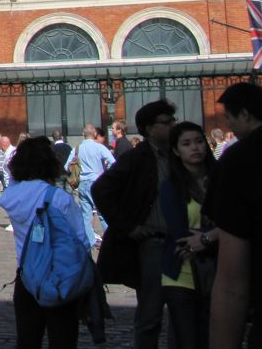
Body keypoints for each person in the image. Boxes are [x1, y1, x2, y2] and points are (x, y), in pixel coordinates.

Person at [92, 98, 177, 349]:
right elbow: (102, 189)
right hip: (154, 242)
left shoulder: (180, 153)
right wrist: (128, 226)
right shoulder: (137, 157)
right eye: (167, 122)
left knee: (183, 311)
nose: (173, 125)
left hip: (184, 240)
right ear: (151, 129)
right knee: (151, 312)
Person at [0, 136, 88, 349]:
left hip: (27, 276)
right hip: (59, 275)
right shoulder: (58, 197)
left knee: (28, 340)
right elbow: (81, 239)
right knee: (63, 340)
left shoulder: (10, 196)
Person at [203, 81, 262, 349]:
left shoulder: (241, 160)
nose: (228, 126)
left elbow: (231, 279)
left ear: (245, 114)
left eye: (229, 118)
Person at [159, 121, 217, 349]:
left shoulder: (219, 178)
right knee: (188, 338)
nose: (195, 148)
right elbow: (179, 231)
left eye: (199, 141)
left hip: (218, 268)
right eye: (186, 144)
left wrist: (206, 237)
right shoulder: (171, 186)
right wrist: (214, 234)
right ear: (176, 150)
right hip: (181, 269)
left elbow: (235, 221)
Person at [64, 124, 115, 247]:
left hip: (82, 183)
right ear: (95, 135)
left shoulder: (77, 148)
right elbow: (114, 162)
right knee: (103, 212)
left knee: (86, 214)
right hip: (97, 181)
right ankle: (111, 239)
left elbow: (66, 167)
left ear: (83, 134)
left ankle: (90, 241)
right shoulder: (99, 147)